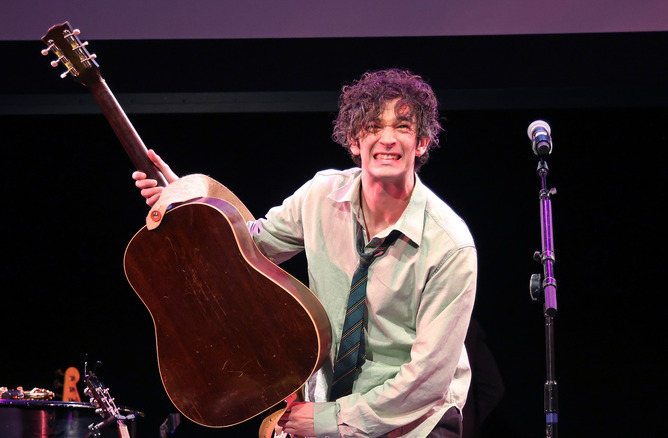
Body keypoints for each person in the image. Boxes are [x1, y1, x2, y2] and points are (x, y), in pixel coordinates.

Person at [133, 68, 477, 438]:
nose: (388, 140)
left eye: (403, 127)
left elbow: (426, 381)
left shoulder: (450, 245)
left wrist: (329, 420)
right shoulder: (320, 196)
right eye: (374, 127)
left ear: (422, 142)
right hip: (323, 405)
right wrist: (186, 199)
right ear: (353, 140)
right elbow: (243, 250)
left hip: (412, 422)